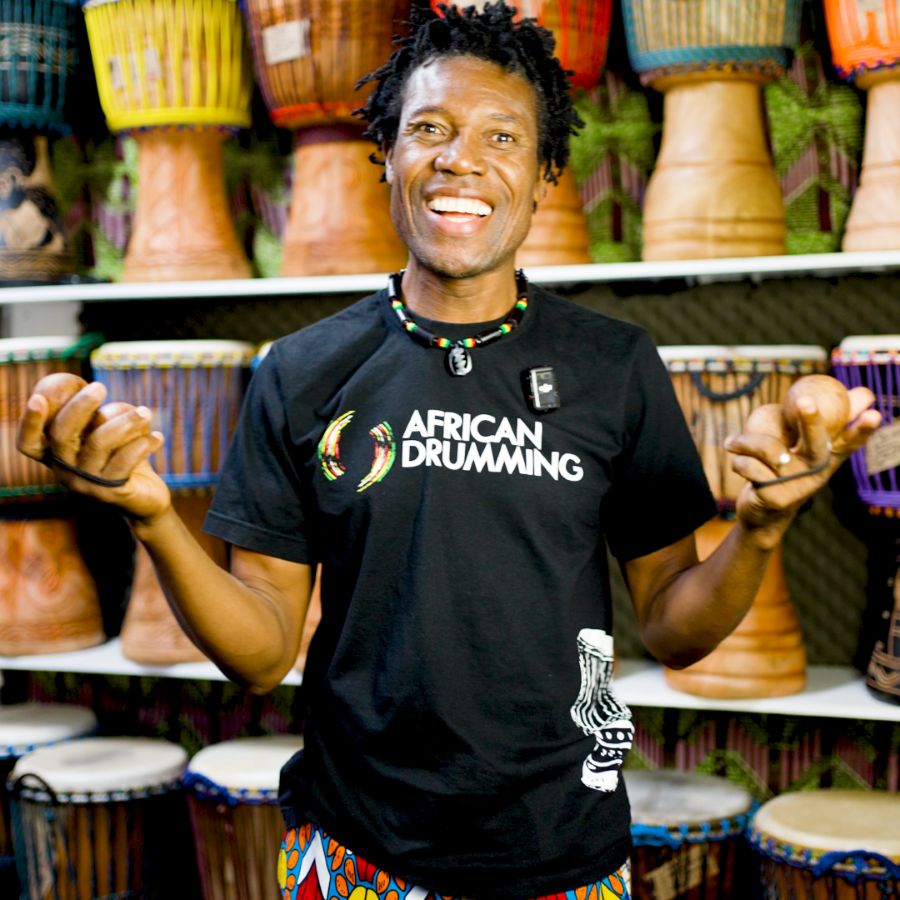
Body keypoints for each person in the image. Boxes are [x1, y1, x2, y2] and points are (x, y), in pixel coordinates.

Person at [17, 4, 881, 899]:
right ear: (386, 155)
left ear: (545, 175)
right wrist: (153, 519)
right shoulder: (303, 372)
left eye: (501, 136)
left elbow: (673, 626)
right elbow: (263, 651)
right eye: (428, 128)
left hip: (563, 853)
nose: (458, 156)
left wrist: (761, 530)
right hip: (353, 851)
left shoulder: (613, 366)